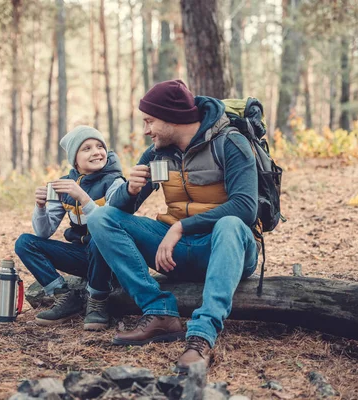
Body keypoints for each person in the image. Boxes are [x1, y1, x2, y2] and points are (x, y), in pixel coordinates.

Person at [87, 80, 259, 373]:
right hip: (176, 252)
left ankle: (201, 336)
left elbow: (246, 207)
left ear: (172, 117)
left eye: (149, 121)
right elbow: (117, 214)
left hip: (224, 248)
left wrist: (181, 227)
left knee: (230, 224)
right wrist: (129, 191)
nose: (145, 130)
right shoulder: (157, 153)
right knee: (99, 217)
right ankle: (159, 311)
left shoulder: (230, 143)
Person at [15, 125, 125, 331]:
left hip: (111, 256)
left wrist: (82, 197)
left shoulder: (115, 182)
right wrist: (40, 207)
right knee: (25, 243)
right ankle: (65, 296)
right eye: (87, 148)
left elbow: (111, 226)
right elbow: (43, 232)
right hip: (82, 254)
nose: (96, 152)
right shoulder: (65, 184)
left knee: (98, 239)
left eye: (100, 146)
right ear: (75, 159)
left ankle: (97, 299)